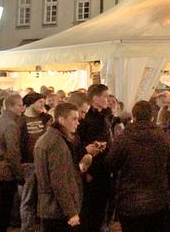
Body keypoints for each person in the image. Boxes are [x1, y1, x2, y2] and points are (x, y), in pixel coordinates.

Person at [107, 100, 170, 231]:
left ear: (134, 117)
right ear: (152, 117)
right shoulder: (164, 137)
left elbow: (110, 164)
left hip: (130, 201)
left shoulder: (123, 138)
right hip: (158, 200)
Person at [35, 102, 103, 232]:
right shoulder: (56, 143)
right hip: (57, 209)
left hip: (51, 207)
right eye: (74, 119)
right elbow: (59, 181)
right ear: (61, 119)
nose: (78, 123)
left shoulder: (50, 139)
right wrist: (71, 212)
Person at [77, 84, 114, 231]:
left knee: (102, 205)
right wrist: (88, 171)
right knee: (91, 207)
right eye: (105, 96)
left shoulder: (105, 115)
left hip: (105, 166)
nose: (108, 99)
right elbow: (81, 143)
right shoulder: (86, 119)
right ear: (95, 98)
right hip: (92, 168)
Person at [0, 93, 25, 232]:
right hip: (5, 171)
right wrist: (19, 174)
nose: (22, 108)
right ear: (10, 106)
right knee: (4, 207)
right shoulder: (10, 124)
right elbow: (13, 152)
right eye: (19, 105)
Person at [20, 92, 50, 232]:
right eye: (40, 102)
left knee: (44, 198)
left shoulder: (46, 118)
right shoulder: (20, 121)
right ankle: (27, 228)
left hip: (44, 163)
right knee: (28, 200)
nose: (43, 105)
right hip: (28, 164)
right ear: (31, 103)